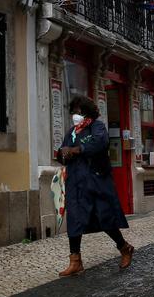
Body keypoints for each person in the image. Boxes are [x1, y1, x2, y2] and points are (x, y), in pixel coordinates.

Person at [56, 95, 134, 277]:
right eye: (74, 111)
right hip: (76, 182)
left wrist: (76, 150)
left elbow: (100, 143)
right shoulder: (72, 132)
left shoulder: (97, 127)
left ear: (86, 111)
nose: (76, 114)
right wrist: (62, 154)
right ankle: (75, 261)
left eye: (78, 111)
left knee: (104, 216)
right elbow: (63, 151)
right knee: (74, 219)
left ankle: (124, 248)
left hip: (96, 181)